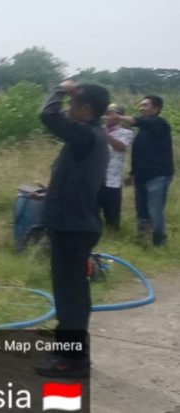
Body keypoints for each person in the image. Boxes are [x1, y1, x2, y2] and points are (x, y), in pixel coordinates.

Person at [35, 80, 110, 378]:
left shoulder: (85, 135)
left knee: (71, 295)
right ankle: (67, 350)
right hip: (76, 223)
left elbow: (48, 115)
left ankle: (72, 360)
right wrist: (50, 192)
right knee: (71, 293)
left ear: (86, 109)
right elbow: (80, 181)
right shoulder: (91, 137)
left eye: (73, 104)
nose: (68, 109)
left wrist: (58, 88)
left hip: (72, 227)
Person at [117, 95, 173, 246]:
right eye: (140, 105)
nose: (141, 108)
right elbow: (141, 153)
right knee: (141, 210)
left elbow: (137, 120)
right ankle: (143, 240)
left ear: (156, 109)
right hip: (141, 176)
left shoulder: (159, 123)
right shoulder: (143, 129)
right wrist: (132, 173)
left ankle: (159, 241)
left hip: (157, 176)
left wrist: (118, 116)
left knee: (155, 210)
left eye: (145, 105)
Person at [99, 104, 134, 231]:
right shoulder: (97, 130)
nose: (106, 116)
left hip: (112, 179)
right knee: (91, 210)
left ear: (119, 116)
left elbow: (121, 147)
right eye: (106, 113)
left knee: (112, 215)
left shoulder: (127, 133)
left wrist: (106, 135)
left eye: (110, 113)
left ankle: (113, 234)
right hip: (94, 177)